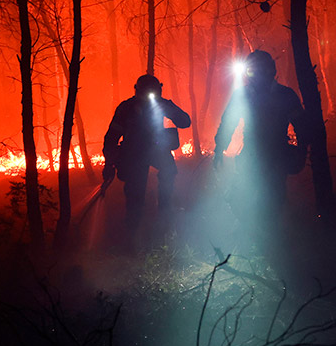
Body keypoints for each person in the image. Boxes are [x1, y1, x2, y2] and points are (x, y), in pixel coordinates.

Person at [213, 50, 307, 215]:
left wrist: (301, 152)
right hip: (254, 155)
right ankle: (253, 232)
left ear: (270, 70)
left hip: (275, 156)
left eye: (259, 70)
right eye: (252, 71)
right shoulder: (247, 95)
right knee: (244, 200)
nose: (256, 76)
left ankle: (267, 234)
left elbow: (302, 127)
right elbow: (228, 123)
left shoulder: (284, 95)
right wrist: (218, 148)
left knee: (273, 203)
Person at [103, 74, 192, 235]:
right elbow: (111, 138)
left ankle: (164, 217)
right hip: (134, 154)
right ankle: (133, 233)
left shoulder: (159, 105)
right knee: (135, 196)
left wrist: (167, 106)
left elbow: (185, 121)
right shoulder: (126, 108)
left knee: (168, 173)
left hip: (155, 149)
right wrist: (109, 163)